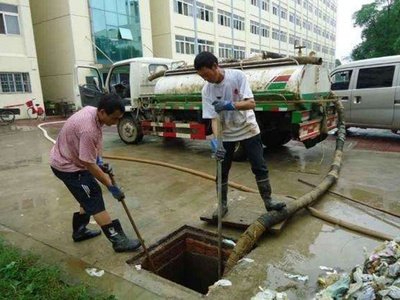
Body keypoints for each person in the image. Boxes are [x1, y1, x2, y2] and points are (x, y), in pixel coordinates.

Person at [194, 51, 286, 219]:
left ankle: (268, 201)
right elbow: (214, 119)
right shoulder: (206, 90)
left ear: (215, 66)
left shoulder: (237, 76)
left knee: (259, 166)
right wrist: (217, 142)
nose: (206, 79)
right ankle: (222, 205)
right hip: (227, 134)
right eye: (202, 77)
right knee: (221, 171)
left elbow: (251, 103)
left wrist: (229, 105)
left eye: (207, 75)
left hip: (248, 129)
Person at [50, 93, 141, 252]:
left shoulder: (92, 112)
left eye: (119, 118)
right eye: (114, 118)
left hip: (73, 160)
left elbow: (90, 152)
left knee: (87, 195)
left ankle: (79, 231)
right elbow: (87, 162)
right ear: (103, 112)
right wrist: (110, 185)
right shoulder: (88, 129)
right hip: (68, 167)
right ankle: (117, 240)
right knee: (93, 197)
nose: (116, 122)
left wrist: (99, 161)